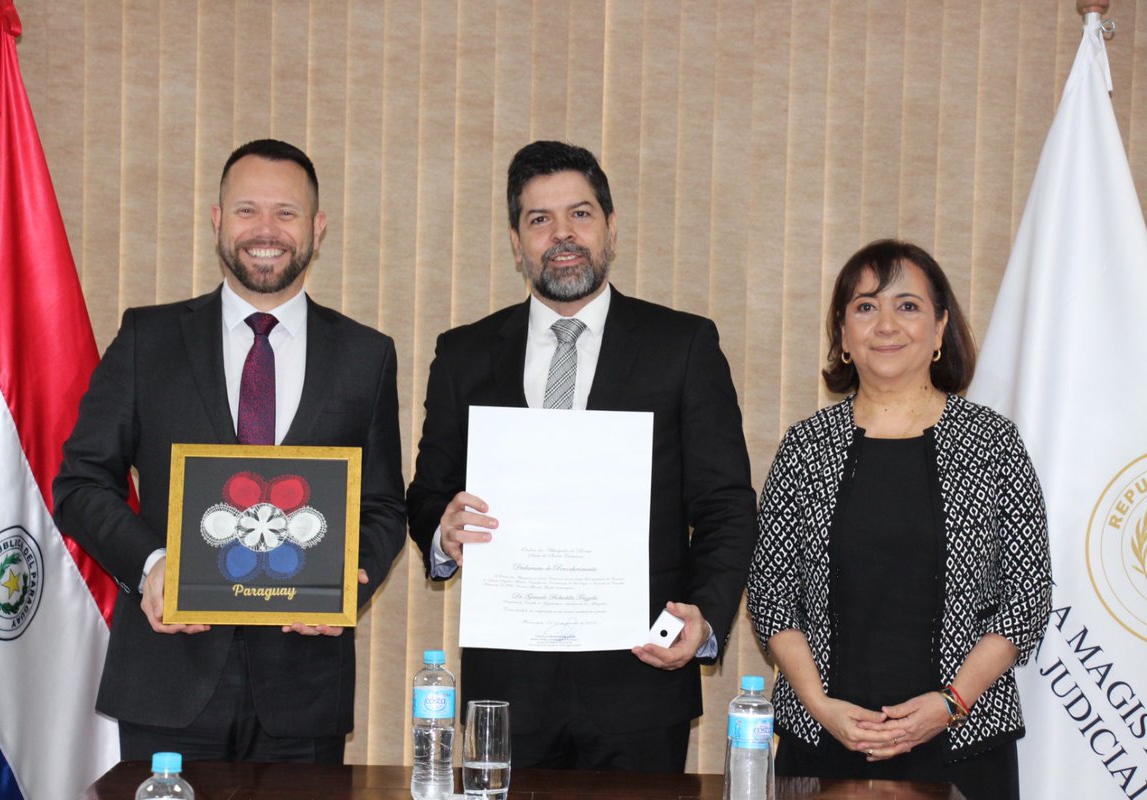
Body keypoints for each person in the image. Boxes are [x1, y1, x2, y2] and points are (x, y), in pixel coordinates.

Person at [406, 140, 757, 772]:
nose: (562, 234)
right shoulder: (464, 354)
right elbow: (429, 490)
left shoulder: (682, 346)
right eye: (540, 220)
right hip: (505, 691)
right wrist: (442, 531)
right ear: (516, 242)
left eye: (581, 214)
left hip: (640, 683)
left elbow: (725, 501)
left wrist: (703, 617)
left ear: (611, 228)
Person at [53, 139, 406, 762]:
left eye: (286, 213)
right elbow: (81, 483)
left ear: (317, 229)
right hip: (167, 681)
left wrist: (351, 583)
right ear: (217, 220)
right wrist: (152, 567)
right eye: (246, 211)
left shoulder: (365, 355)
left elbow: (382, 507)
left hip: (304, 692)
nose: (264, 231)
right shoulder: (147, 338)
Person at [747, 239, 1052, 800]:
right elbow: (771, 598)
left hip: (963, 740)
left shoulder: (993, 443)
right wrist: (823, 708)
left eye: (907, 306)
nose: (886, 323)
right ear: (843, 334)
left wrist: (950, 704)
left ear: (940, 330)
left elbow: (1027, 597)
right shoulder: (805, 447)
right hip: (823, 738)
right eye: (865, 307)